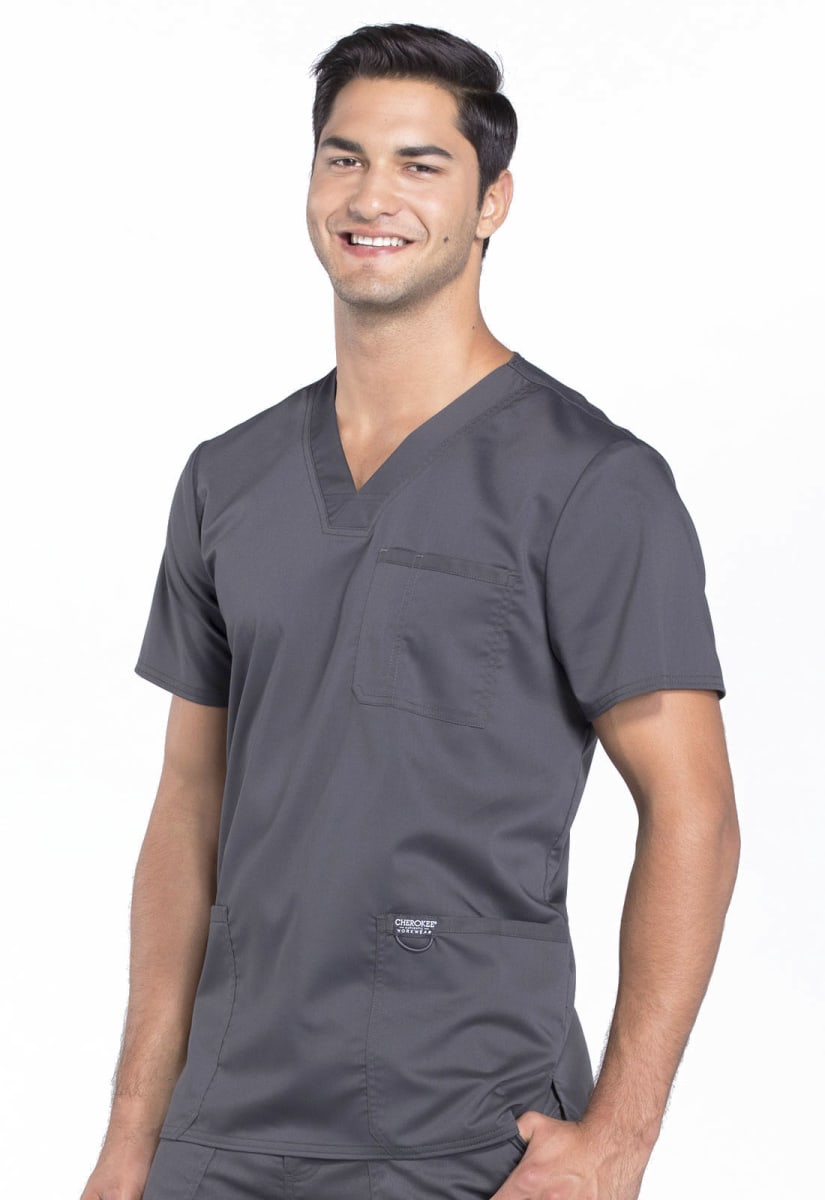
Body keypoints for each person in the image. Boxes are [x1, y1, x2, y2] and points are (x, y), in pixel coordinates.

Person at [80, 22, 739, 1200]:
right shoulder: (228, 479)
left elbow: (695, 811)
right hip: (222, 1133)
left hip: (468, 1133)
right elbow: (188, 805)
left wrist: (621, 1138)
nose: (371, 196)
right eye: (344, 158)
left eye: (420, 165)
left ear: (492, 203)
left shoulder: (592, 483)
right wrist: (133, 1134)